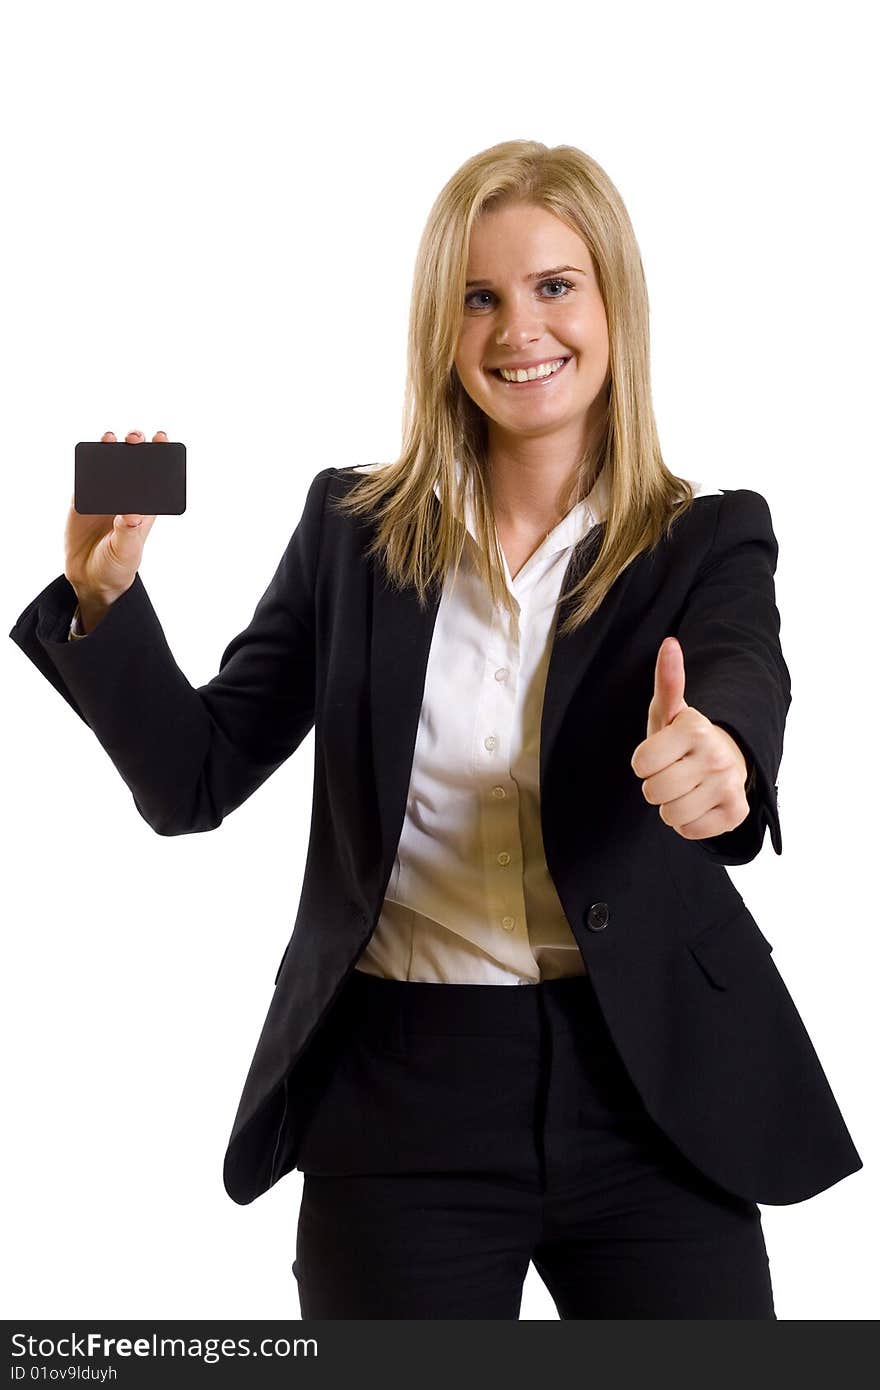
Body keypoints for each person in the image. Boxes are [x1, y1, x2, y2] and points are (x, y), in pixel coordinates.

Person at [9, 140, 862, 1319]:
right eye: (480, 297)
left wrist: (719, 761)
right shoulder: (352, 531)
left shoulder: (707, 537)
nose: (520, 328)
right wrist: (104, 599)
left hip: (647, 1082)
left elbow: (735, 681)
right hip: (401, 1088)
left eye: (555, 286)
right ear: (440, 327)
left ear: (614, 299)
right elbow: (192, 778)